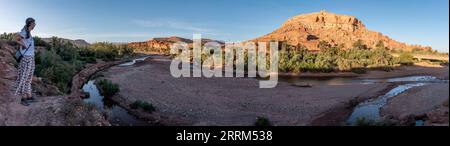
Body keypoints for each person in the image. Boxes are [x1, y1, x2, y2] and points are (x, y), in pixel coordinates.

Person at [14, 17, 36, 106]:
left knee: (29, 77)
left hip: (31, 57)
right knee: (24, 77)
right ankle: (23, 98)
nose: (35, 25)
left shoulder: (28, 32)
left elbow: (27, 42)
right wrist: (24, 45)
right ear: (30, 23)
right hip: (26, 58)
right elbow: (15, 39)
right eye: (34, 23)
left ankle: (29, 95)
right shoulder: (24, 31)